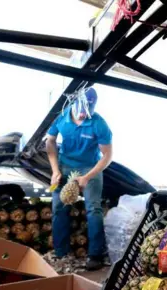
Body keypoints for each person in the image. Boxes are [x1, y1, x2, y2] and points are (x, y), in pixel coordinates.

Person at [46, 87, 113, 271]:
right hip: (65, 165)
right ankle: (61, 251)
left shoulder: (99, 124)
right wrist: (54, 170)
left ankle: (95, 254)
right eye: (81, 111)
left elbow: (107, 156)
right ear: (73, 103)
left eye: (88, 112)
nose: (84, 115)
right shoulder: (61, 116)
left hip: (91, 167)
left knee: (93, 208)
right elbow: (50, 142)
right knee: (58, 205)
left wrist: (88, 177)